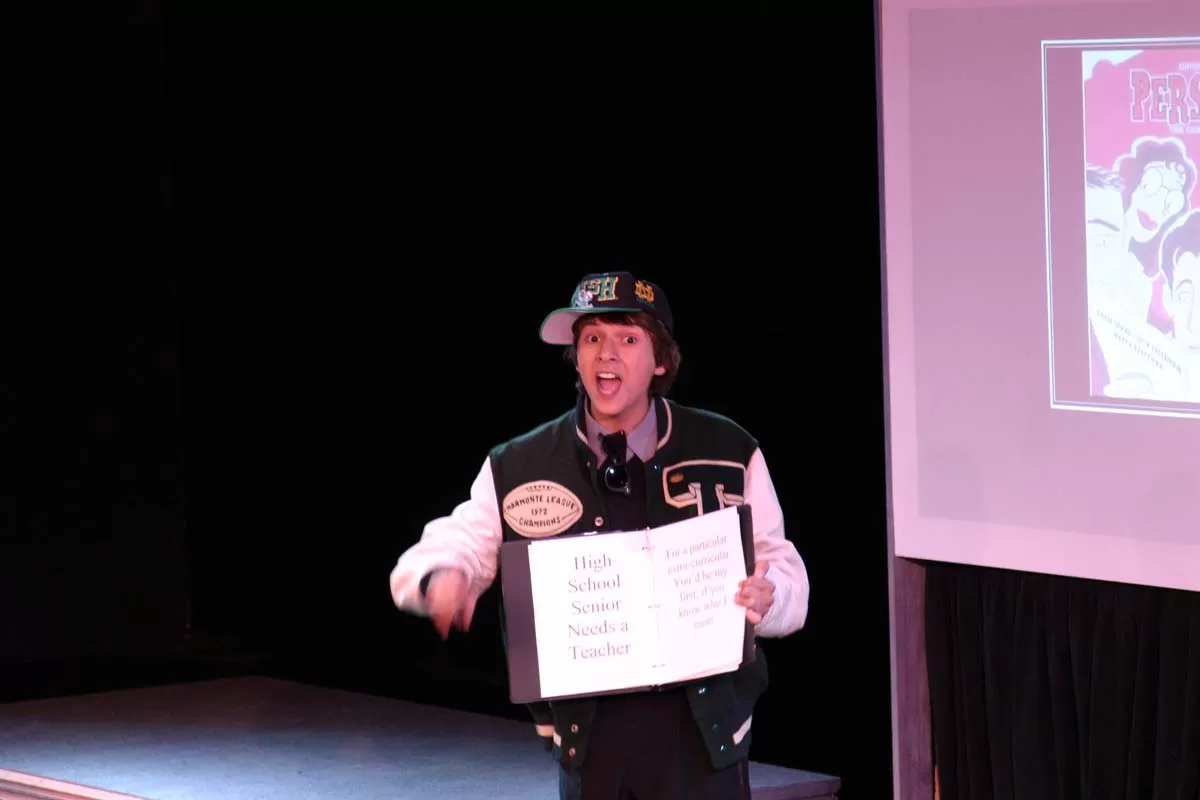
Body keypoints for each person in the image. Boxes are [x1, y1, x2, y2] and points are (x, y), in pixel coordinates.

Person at [388, 270, 811, 800]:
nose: (606, 355)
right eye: (592, 338)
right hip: (592, 752)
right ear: (577, 356)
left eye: (628, 340)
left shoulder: (728, 450)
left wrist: (770, 599)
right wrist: (443, 576)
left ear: (660, 362)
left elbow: (786, 573)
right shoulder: (520, 463)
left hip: (705, 746)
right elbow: (455, 541)